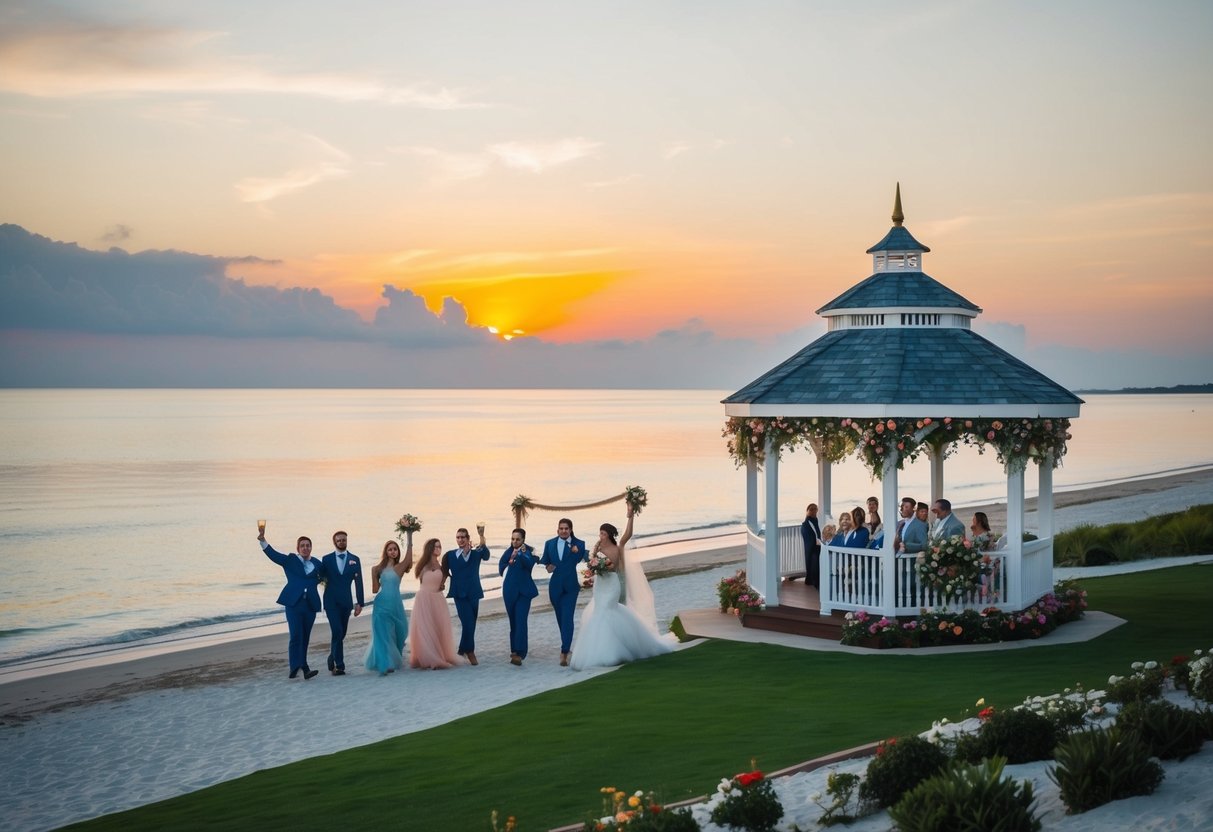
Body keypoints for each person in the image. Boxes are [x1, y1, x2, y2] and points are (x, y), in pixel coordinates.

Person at [570, 507, 673, 670]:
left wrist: (630, 516)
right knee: (599, 613)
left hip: (612, 584)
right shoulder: (597, 549)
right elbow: (593, 566)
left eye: (603, 534)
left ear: (609, 535)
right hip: (600, 585)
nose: (600, 536)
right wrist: (591, 574)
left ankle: (618, 649)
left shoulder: (618, 548)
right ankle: (603, 649)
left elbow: (627, 535)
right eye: (600, 534)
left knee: (609, 610)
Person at [257, 524, 323, 680]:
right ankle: (295, 667)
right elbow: (274, 555)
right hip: (293, 604)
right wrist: (262, 540)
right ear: (298, 548)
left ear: (311, 548)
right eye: (302, 546)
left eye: (308, 546)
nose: (305, 548)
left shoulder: (318, 564)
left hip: (310, 606)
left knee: (305, 637)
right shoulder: (290, 560)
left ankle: (304, 667)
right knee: (296, 635)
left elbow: (328, 577)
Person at [540, 518, 587, 666]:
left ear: (571, 530)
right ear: (557, 530)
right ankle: (566, 645)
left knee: (567, 617)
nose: (563, 531)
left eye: (566, 528)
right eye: (561, 528)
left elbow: (581, 558)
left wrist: (574, 550)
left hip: (571, 587)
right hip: (555, 586)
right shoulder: (549, 543)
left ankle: (564, 651)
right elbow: (546, 562)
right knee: (561, 618)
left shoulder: (579, 544)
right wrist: (548, 567)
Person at [409, 538, 461, 669]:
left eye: (440, 546)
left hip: (438, 599)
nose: (438, 549)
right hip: (423, 599)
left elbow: (442, 583)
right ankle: (427, 657)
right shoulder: (422, 565)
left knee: (438, 628)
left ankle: (438, 655)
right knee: (425, 629)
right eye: (436, 546)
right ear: (430, 549)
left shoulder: (442, 566)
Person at [442, 525, 490, 665]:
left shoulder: (476, 553)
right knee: (468, 623)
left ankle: (461, 650)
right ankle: (470, 651)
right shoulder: (450, 555)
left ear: (468, 539)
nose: (460, 539)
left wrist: (481, 536)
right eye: (458, 537)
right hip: (459, 593)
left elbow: (486, 555)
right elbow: (444, 572)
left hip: (474, 592)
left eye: (463, 537)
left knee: (471, 624)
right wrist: (440, 584)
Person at [365, 539, 413, 676]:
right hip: (381, 605)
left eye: (395, 549)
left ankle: (392, 659)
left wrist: (409, 535)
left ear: (398, 552)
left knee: (401, 632)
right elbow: (375, 590)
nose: (393, 551)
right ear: (386, 552)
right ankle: (385, 664)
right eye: (390, 549)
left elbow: (409, 557)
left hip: (396, 604)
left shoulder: (400, 568)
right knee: (382, 635)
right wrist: (374, 573)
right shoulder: (377, 569)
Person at [321, 530, 364, 676]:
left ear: (347, 541)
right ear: (334, 542)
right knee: (337, 631)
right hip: (331, 602)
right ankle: (339, 665)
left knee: (341, 632)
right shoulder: (326, 559)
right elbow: (319, 578)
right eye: (339, 540)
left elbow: (359, 583)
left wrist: (360, 603)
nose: (341, 542)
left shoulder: (355, 559)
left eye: (344, 540)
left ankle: (332, 656)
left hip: (346, 602)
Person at [498, 528, 538, 666]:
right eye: (513, 539)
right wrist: (508, 563)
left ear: (523, 540)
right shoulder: (508, 552)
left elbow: (530, 564)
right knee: (513, 622)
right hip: (509, 591)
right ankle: (514, 649)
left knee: (521, 620)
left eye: (517, 539)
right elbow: (501, 567)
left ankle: (520, 653)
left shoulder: (529, 550)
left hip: (524, 592)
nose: (514, 541)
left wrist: (519, 555)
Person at [799, 503, 822, 588]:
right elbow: (810, 537)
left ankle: (813, 580)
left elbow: (817, 533)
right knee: (812, 561)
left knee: (815, 563)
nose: (813, 511)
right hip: (812, 546)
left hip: (816, 545)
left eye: (815, 509)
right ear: (807, 511)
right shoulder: (806, 524)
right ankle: (812, 581)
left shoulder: (815, 520)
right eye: (811, 509)